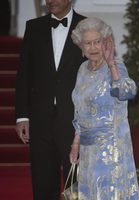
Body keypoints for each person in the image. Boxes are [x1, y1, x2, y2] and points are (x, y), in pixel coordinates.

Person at [15, 0, 86, 199]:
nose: (51, 1)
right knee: (42, 180)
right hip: (40, 118)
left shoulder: (87, 27)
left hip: (75, 120)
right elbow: (24, 75)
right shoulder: (34, 27)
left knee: (76, 183)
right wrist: (22, 116)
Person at [69, 17, 139, 200]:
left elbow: (128, 91)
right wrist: (76, 143)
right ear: (81, 47)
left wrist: (112, 65)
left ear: (106, 43)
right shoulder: (82, 69)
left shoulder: (115, 67)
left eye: (97, 42)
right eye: (88, 43)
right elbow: (79, 110)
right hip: (87, 149)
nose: (93, 47)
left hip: (111, 150)